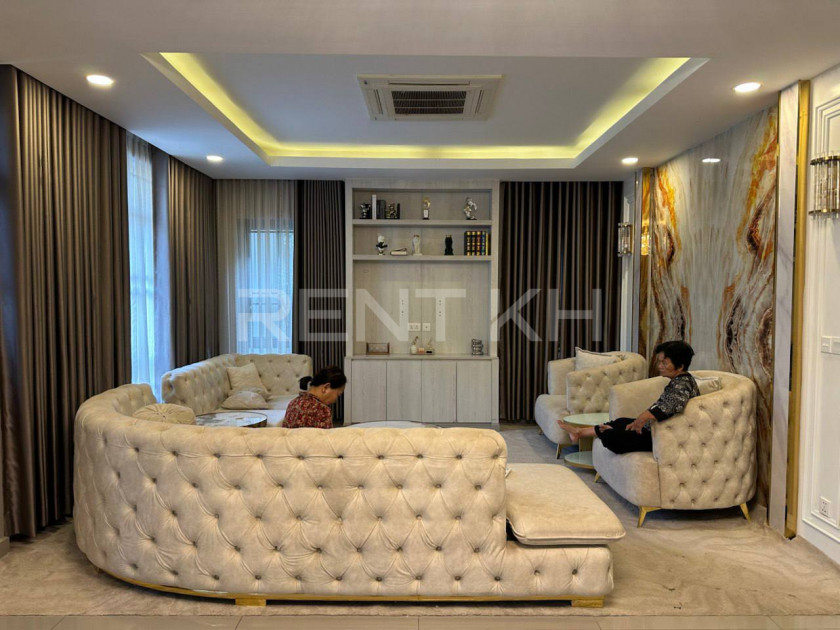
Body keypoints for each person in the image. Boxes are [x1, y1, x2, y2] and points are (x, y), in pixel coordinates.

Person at [557, 341, 700, 454]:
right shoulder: (680, 381)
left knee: (611, 437)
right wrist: (640, 420)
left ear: (680, 366)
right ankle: (579, 432)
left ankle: (609, 432)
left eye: (664, 363)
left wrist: (643, 417)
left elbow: (669, 406)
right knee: (621, 421)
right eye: (659, 362)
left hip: (662, 436)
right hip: (656, 429)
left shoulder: (682, 384)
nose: (659, 366)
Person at [282, 366, 347, 429]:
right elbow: (325, 436)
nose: (335, 400)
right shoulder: (322, 410)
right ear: (326, 387)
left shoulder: (293, 403)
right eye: (338, 394)